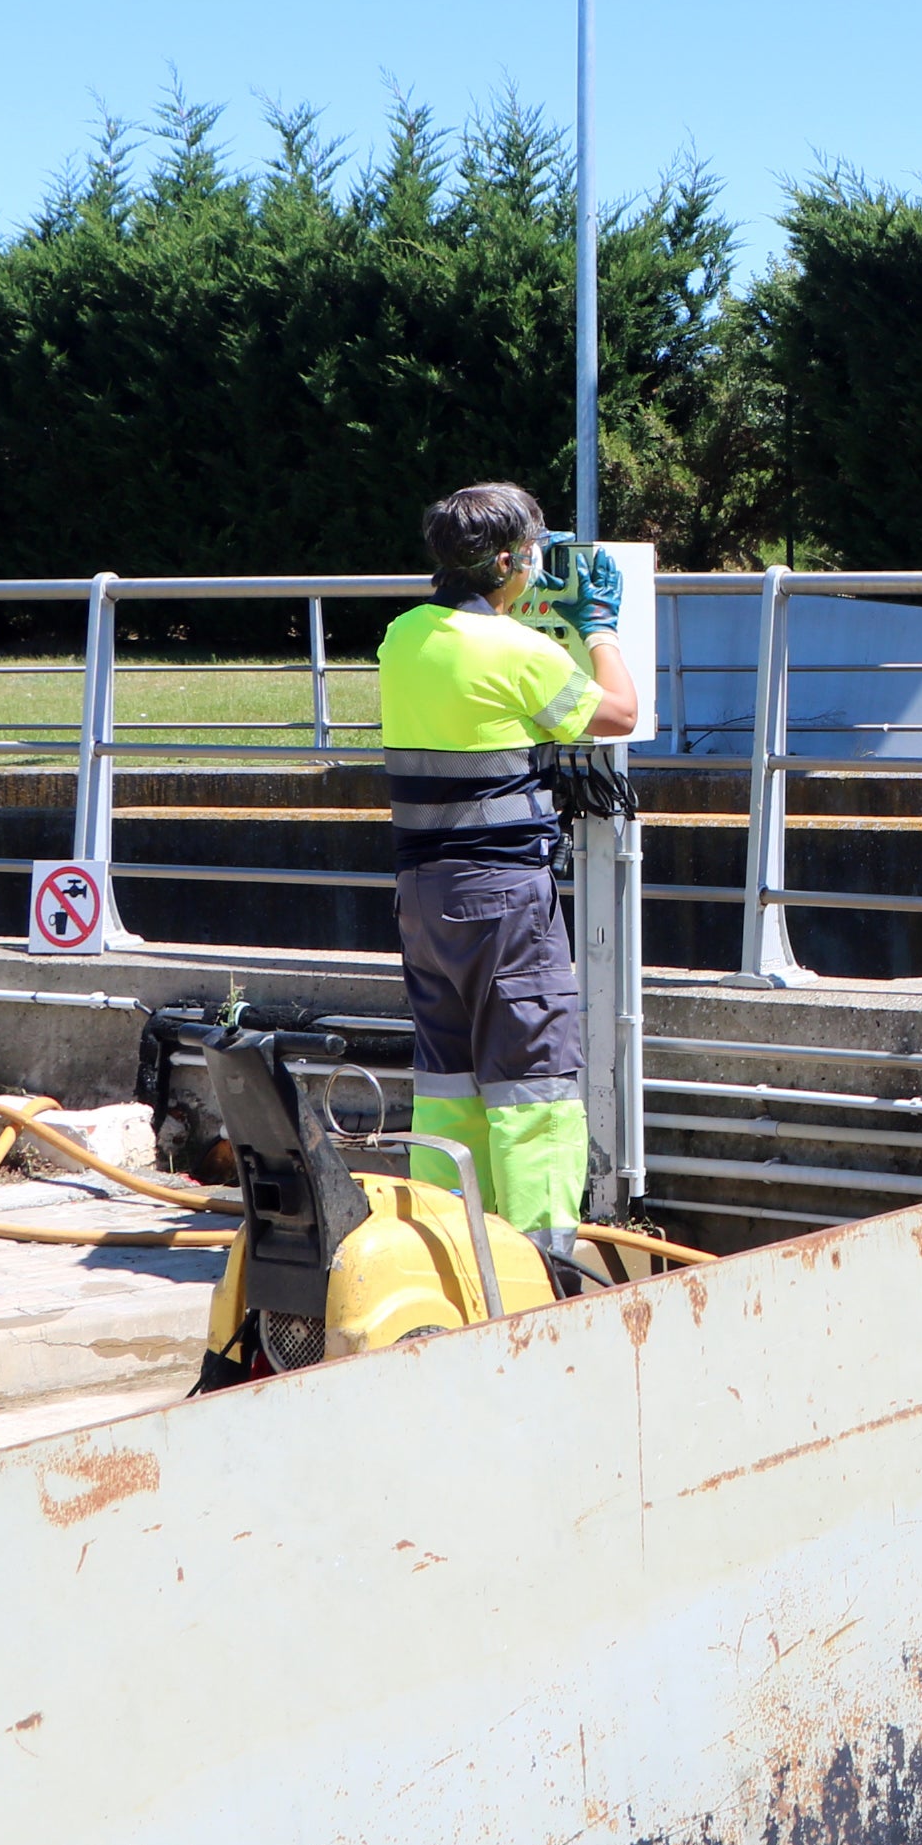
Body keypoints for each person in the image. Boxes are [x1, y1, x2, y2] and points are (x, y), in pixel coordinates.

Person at [375, 482, 637, 1264]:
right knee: (535, 1084)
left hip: (424, 896)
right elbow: (619, 713)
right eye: (532, 550)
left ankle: (449, 1249)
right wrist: (600, 629)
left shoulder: (402, 637)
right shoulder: (523, 653)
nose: (535, 561)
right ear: (504, 560)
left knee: (449, 1081)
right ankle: (537, 1265)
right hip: (502, 898)